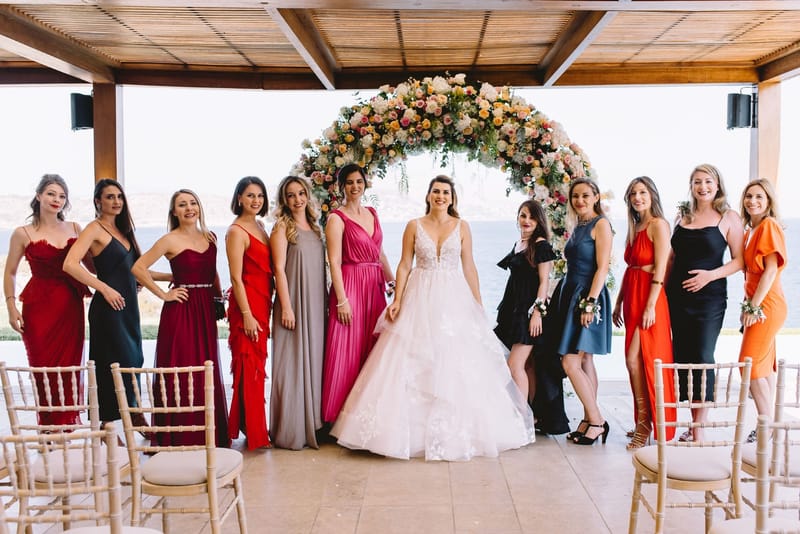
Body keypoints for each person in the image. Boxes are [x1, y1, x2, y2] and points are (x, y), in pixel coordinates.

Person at [331, 175, 535, 461]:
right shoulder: (414, 225)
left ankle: (460, 432)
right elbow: (404, 265)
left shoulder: (462, 227)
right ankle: (403, 433)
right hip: (419, 295)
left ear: (452, 199)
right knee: (412, 358)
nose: (440, 196)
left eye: (446, 192)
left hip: (454, 297)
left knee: (455, 360)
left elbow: (470, 267)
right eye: (436, 191)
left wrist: (477, 304)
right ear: (428, 195)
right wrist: (398, 299)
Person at [63, 178, 168, 433]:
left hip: (129, 309)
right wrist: (104, 288)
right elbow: (70, 264)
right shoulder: (94, 229)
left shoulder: (125, 231)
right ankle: (108, 424)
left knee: (134, 359)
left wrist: (173, 277)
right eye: (110, 197)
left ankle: (133, 414)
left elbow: (138, 270)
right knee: (111, 363)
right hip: (107, 309)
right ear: (98, 200)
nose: (116, 202)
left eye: (119, 197)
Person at [132, 189, 230, 447]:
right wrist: (164, 296)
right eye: (182, 204)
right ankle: (180, 434)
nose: (189, 208)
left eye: (193, 202)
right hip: (182, 310)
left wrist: (219, 300)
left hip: (205, 310)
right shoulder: (169, 240)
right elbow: (138, 268)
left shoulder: (210, 237)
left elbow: (213, 274)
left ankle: (208, 433)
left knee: (205, 369)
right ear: (174, 212)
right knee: (182, 368)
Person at [3, 174, 90, 426]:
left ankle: (67, 425)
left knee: (69, 368)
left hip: (70, 305)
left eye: (62, 196)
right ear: (39, 195)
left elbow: (93, 266)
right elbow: (9, 272)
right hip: (38, 306)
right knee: (43, 369)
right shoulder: (22, 233)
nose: (57, 200)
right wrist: (11, 306)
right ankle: (49, 427)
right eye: (51, 194)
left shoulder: (75, 228)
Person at [667, 164, 743, 442]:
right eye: (697, 182)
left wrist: (710, 276)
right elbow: (672, 259)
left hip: (709, 299)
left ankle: (699, 428)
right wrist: (660, 293)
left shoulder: (729, 217)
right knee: (683, 357)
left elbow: (740, 260)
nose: (703, 187)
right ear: (692, 186)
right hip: (677, 296)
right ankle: (692, 421)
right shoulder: (681, 216)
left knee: (702, 355)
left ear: (718, 184)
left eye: (708, 181)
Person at [321, 164, 394, 423]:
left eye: (359, 181)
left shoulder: (372, 213)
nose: (355, 187)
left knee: (373, 348)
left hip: (374, 287)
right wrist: (341, 300)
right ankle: (338, 416)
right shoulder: (336, 218)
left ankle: (366, 415)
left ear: (365, 184)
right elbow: (334, 260)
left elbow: (381, 253)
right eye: (349, 182)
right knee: (346, 349)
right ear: (342, 186)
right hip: (350, 285)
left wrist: (394, 283)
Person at [611, 177, 676, 449]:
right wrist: (618, 301)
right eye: (633, 194)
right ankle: (643, 418)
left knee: (638, 360)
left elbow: (661, 266)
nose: (638, 197)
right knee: (633, 361)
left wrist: (651, 304)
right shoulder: (635, 227)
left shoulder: (658, 225)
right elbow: (631, 270)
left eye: (642, 192)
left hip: (650, 299)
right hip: (632, 296)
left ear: (652, 195)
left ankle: (646, 424)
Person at [549, 178, 613, 446]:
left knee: (570, 362)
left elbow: (602, 268)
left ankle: (597, 421)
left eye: (586, 196)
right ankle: (589, 419)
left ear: (596, 197)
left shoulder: (601, 225)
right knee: (585, 362)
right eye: (575, 196)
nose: (580, 201)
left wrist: (590, 303)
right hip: (571, 294)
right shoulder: (579, 225)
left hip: (588, 297)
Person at [269, 176, 327, 450]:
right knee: (291, 364)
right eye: (291, 195)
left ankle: (313, 423)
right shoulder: (282, 227)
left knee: (314, 361)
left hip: (316, 303)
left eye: (301, 193)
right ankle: (291, 430)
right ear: (284, 199)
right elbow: (278, 269)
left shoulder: (316, 228)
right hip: (293, 303)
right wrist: (287, 306)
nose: (297, 199)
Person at [493, 199, 555, 421]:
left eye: (531, 216)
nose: (526, 220)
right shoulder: (520, 243)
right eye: (522, 215)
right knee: (527, 365)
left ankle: (521, 416)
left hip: (528, 313)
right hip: (513, 310)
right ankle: (532, 414)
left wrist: (537, 313)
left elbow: (544, 282)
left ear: (539, 220)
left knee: (514, 364)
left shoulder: (541, 245)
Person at [225, 177, 272, 450]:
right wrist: (246, 314)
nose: (256, 201)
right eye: (250, 196)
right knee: (249, 366)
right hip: (247, 306)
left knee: (257, 366)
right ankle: (255, 433)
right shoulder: (236, 231)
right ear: (239, 198)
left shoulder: (260, 226)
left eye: (260, 196)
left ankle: (249, 424)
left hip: (263, 302)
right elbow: (235, 276)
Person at [738, 179, 786, 440]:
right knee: (762, 366)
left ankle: (766, 425)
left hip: (768, 304)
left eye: (758, 197)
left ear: (768, 201)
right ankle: (771, 425)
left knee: (750, 366)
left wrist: (753, 307)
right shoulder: (749, 231)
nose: (752, 201)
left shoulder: (767, 226)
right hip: (757, 303)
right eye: (748, 196)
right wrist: (747, 305)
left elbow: (769, 272)